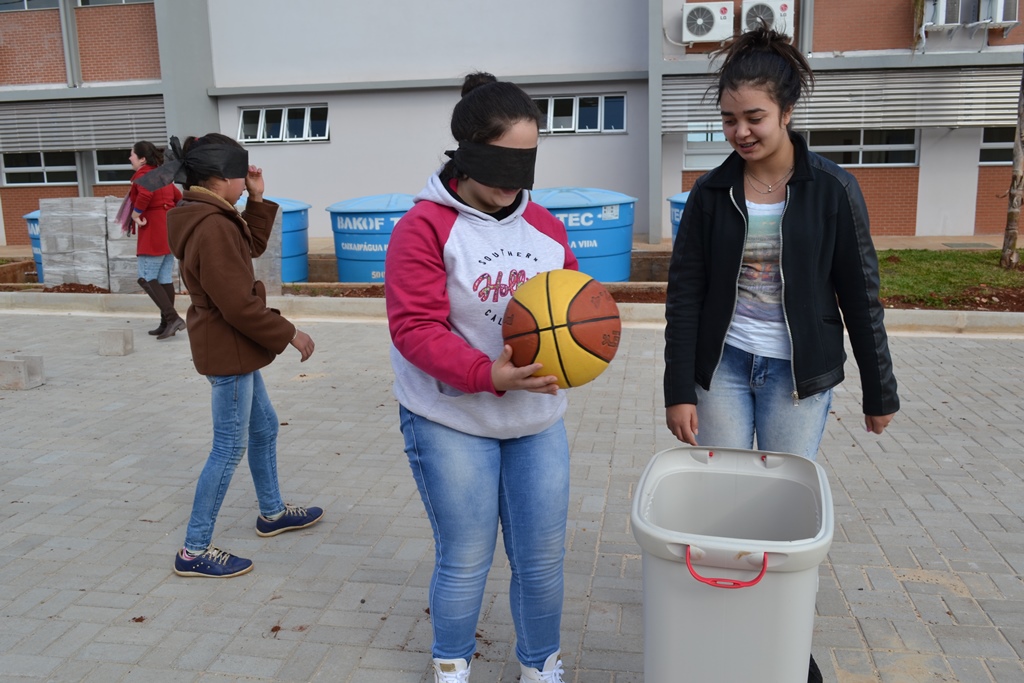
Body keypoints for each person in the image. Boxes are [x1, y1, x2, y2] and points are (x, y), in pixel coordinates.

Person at [663, 27, 900, 681]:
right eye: (729, 119)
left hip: (799, 378)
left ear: (787, 111)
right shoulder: (710, 194)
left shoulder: (832, 189)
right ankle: (723, 625)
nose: (740, 131)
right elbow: (684, 295)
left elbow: (861, 294)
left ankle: (781, 638)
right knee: (721, 502)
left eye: (754, 117)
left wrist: (880, 390)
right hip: (723, 368)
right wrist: (678, 388)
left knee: (784, 513)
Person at [385, 72, 576, 683]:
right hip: (452, 418)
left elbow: (573, 306)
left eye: (527, 162)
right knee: (467, 557)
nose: (513, 179)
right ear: (465, 152)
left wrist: (581, 348)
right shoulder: (424, 227)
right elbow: (414, 328)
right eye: (500, 162)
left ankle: (541, 666)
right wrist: (485, 372)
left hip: (535, 421)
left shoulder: (546, 228)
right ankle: (452, 666)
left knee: (541, 560)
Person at [139, 133, 323, 578]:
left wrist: (257, 200)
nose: (247, 182)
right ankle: (194, 550)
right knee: (228, 447)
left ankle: (272, 513)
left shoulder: (209, 214)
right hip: (228, 348)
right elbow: (238, 304)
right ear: (221, 177)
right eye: (243, 176)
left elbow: (249, 247)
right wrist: (289, 333)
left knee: (264, 427)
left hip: (231, 346)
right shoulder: (213, 225)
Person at [129, 140, 185, 340]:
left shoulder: (143, 176)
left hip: (152, 230)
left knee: (146, 277)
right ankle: (166, 323)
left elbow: (145, 193)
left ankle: (173, 318)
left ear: (142, 159)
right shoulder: (163, 175)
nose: (129, 158)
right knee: (164, 279)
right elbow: (178, 198)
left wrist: (136, 214)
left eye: (132, 154)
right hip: (167, 230)